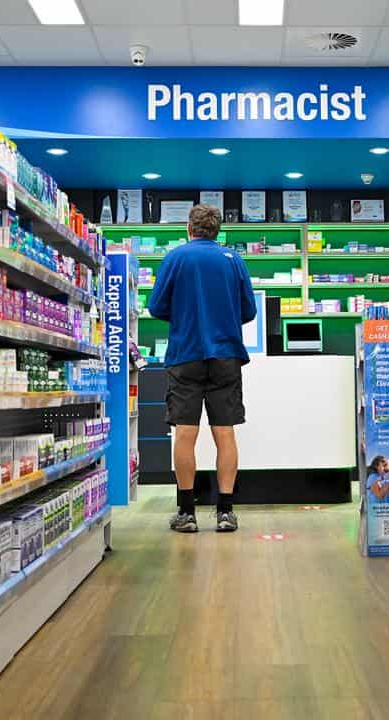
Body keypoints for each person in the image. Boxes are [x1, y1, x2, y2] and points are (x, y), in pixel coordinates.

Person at [147, 204, 257, 533]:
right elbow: (249, 310)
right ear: (217, 230)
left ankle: (186, 512)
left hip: (186, 354)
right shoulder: (232, 260)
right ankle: (225, 512)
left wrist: (183, 315)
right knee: (225, 432)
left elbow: (155, 306)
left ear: (189, 228)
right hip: (225, 356)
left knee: (185, 432)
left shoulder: (175, 257)